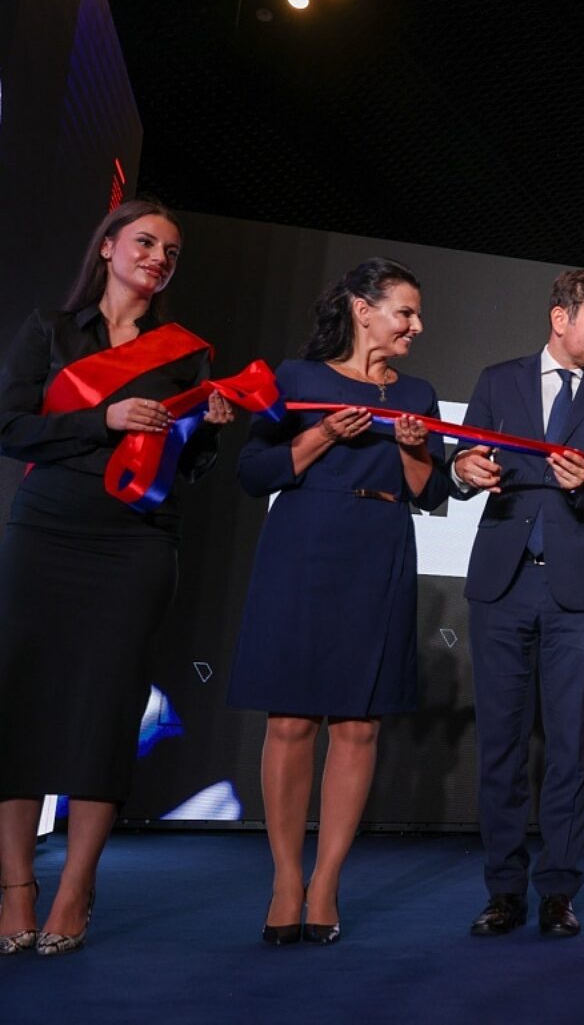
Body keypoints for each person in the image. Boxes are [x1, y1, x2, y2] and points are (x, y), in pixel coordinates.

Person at [0, 200, 234, 957]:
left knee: (107, 709)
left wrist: (208, 433)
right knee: (22, 701)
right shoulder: (50, 331)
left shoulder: (186, 353)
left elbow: (187, 467)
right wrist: (100, 421)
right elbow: (9, 428)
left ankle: (75, 889)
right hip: (46, 532)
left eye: (171, 251)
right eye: (145, 242)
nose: (159, 258)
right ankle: (16, 890)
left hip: (136, 541)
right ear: (106, 247)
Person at [228, 258, 449, 946]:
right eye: (405, 312)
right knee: (291, 720)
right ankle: (285, 881)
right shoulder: (297, 379)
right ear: (362, 309)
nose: (416, 325)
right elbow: (253, 471)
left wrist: (415, 449)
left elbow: (431, 493)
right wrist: (324, 434)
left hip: (380, 547)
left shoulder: (418, 393)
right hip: (303, 545)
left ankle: (325, 883)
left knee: (358, 725)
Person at [451, 267, 584, 939]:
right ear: (560, 318)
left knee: (570, 749)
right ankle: (503, 891)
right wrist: (463, 470)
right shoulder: (497, 380)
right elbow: (462, 460)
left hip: (580, 593)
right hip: (502, 585)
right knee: (500, 747)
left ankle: (558, 891)